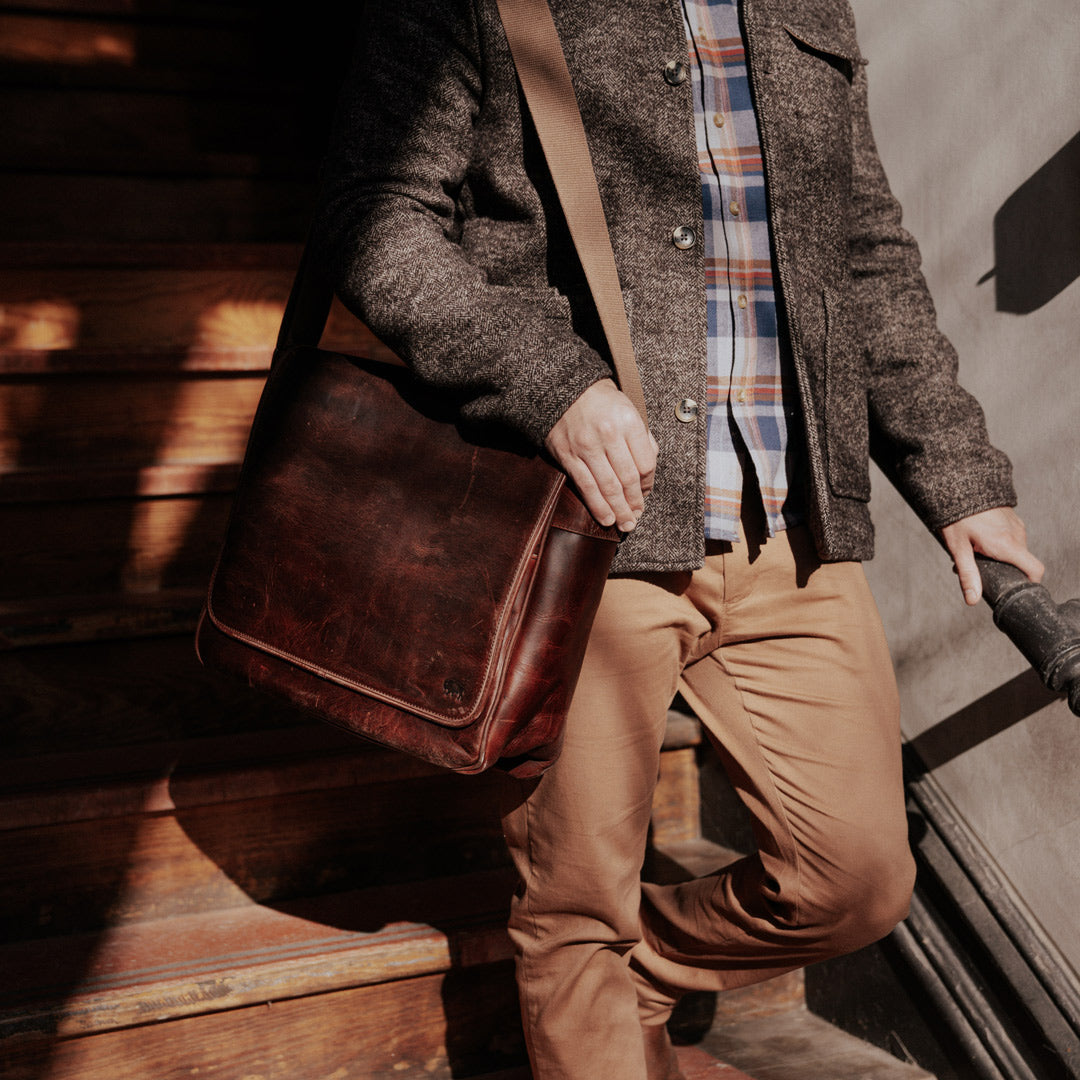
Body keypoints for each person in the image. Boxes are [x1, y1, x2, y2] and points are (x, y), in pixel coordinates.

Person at [310, 1, 1045, 1077]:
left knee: (859, 877)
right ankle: (595, 982)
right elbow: (376, 219)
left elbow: (865, 255)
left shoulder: (805, 6)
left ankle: (637, 971)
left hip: (788, 523)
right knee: (571, 913)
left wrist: (958, 476)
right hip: (581, 529)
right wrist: (552, 382)